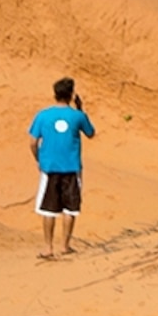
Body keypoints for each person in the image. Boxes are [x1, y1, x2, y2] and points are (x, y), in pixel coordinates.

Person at [28, 76, 95, 258]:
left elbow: (33, 142)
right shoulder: (77, 116)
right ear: (71, 95)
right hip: (71, 168)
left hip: (49, 167)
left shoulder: (43, 115)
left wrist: (39, 160)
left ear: (55, 94)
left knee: (48, 209)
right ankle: (65, 246)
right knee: (70, 209)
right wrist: (80, 109)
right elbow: (91, 133)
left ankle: (48, 247)